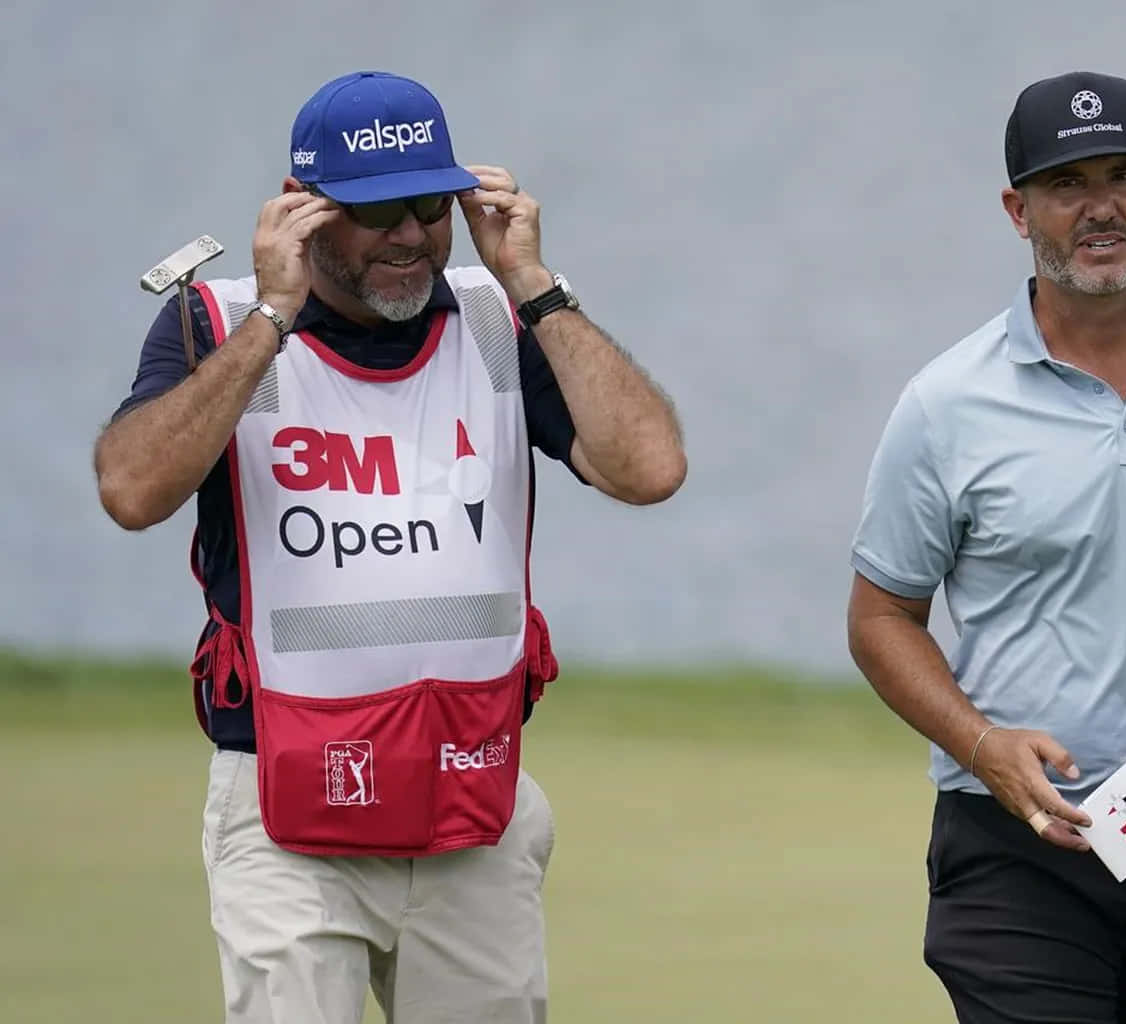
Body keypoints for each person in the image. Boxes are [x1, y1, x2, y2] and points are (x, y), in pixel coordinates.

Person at [94, 70, 686, 1024]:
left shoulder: (500, 317)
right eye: (374, 212)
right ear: (302, 214)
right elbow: (131, 491)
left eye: (428, 203)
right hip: (288, 812)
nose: (409, 233)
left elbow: (649, 467)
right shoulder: (215, 321)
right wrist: (270, 320)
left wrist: (533, 283)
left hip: (470, 804)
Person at [847, 70, 1126, 1023]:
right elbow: (882, 617)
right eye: (1067, 184)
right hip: (1011, 845)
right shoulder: (946, 402)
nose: (1100, 208)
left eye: (1123, 175)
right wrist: (981, 743)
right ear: (1018, 207)